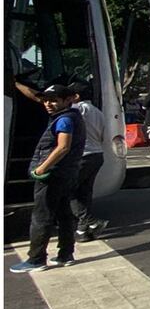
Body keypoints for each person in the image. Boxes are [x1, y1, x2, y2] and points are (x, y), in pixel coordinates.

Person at [10, 84, 86, 272]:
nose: (48, 104)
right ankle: (65, 254)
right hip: (66, 173)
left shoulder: (64, 120)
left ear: (67, 100)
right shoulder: (70, 116)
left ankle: (36, 259)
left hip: (53, 174)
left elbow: (63, 147)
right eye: (46, 101)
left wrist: (41, 168)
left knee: (41, 216)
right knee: (64, 213)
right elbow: (36, 97)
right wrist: (16, 83)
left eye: (53, 100)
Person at [70, 83, 108, 242]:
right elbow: (102, 136)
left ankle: (91, 221)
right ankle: (82, 230)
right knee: (84, 192)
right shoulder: (98, 112)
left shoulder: (79, 109)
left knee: (69, 191)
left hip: (82, 156)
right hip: (96, 154)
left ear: (76, 96)